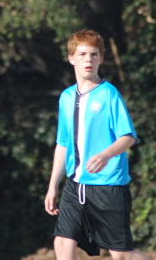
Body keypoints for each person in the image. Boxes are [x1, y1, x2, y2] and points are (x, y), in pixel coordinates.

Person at [44, 30, 149, 260]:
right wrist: (53, 186)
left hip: (107, 187)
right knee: (62, 243)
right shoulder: (66, 97)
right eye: (82, 54)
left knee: (122, 255)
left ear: (101, 58)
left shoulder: (109, 94)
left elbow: (128, 137)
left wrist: (106, 155)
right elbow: (62, 143)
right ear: (71, 58)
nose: (88, 60)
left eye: (93, 54)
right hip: (74, 187)